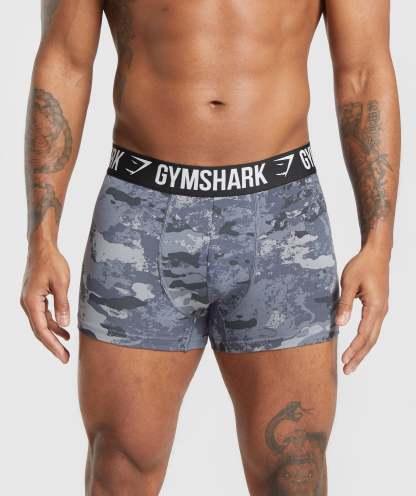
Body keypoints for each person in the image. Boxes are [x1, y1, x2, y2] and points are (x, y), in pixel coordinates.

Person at [21, 1, 400, 494]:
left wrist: (378, 243)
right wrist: (42, 238)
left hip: (283, 216)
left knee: (295, 469)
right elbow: (64, 63)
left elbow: (365, 71)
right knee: (119, 466)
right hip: (141, 211)